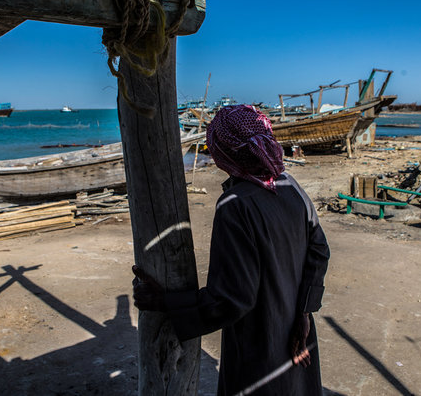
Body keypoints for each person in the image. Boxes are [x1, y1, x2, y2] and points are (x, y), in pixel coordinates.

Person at [132, 104, 330, 395]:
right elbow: (319, 251)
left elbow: (232, 299)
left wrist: (167, 302)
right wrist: (303, 313)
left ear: (223, 153)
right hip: (294, 332)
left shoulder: (235, 205)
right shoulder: (290, 186)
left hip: (259, 347)